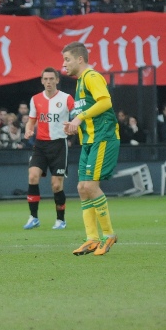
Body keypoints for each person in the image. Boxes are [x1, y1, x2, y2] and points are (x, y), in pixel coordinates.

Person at [62, 41, 119, 256]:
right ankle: (91, 239)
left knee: (92, 187)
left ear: (80, 59)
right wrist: (75, 126)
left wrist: (78, 118)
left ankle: (109, 235)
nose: (64, 64)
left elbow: (105, 102)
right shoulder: (79, 83)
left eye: (67, 59)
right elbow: (90, 111)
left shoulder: (92, 76)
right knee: (82, 188)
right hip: (89, 140)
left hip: (103, 138)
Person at [22, 67, 75, 231]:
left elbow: (78, 117)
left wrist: (74, 130)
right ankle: (33, 217)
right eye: (46, 79)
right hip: (41, 145)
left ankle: (60, 220)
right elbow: (31, 120)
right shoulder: (35, 99)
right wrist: (28, 129)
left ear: (57, 80)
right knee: (32, 176)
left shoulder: (66, 98)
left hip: (59, 144)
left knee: (56, 185)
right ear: (42, 81)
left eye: (52, 79)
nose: (49, 82)